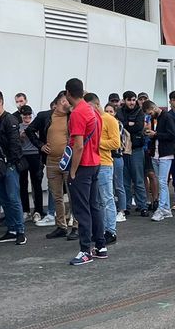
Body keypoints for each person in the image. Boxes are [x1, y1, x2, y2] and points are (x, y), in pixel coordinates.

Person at [64, 78, 105, 265]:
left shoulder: (78, 113)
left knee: (82, 210)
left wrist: (72, 171)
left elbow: (78, 146)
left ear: (68, 93)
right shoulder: (93, 110)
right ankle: (100, 245)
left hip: (83, 166)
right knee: (94, 206)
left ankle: (85, 250)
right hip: (95, 162)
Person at [0, 90, 27, 246]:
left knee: (13, 198)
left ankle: (20, 231)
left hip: (9, 165)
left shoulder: (9, 119)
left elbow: (15, 144)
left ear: (0, 101)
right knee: (3, 198)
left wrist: (11, 163)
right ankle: (11, 229)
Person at [30, 92, 73, 238]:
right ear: (62, 101)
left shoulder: (72, 116)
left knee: (73, 195)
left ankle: (76, 225)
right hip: (51, 161)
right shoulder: (45, 116)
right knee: (57, 196)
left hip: (68, 161)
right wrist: (40, 145)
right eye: (69, 102)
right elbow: (30, 130)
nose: (71, 105)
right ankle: (61, 226)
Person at [144, 100, 175, 222]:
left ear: (154, 108)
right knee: (160, 181)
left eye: (150, 113)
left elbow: (172, 135)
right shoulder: (155, 119)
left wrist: (156, 134)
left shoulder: (168, 117)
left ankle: (161, 209)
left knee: (162, 182)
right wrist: (151, 134)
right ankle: (166, 209)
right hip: (156, 153)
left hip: (165, 154)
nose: (150, 115)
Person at [117, 91, 149, 216]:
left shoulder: (140, 111)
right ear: (124, 100)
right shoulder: (120, 111)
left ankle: (142, 206)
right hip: (123, 149)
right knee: (125, 180)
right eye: (129, 100)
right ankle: (126, 206)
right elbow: (119, 126)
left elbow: (138, 127)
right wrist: (129, 124)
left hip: (136, 149)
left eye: (133, 100)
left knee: (138, 179)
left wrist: (128, 125)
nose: (132, 102)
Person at [94, 98, 121, 242]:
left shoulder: (109, 120)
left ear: (97, 105)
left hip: (104, 164)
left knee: (107, 198)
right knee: (98, 201)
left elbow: (116, 143)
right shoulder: (93, 118)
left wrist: (96, 142)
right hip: (93, 164)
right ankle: (102, 230)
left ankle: (111, 231)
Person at [17, 105, 45, 222]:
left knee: (36, 183)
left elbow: (40, 139)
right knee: (23, 184)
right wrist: (21, 136)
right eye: (25, 115)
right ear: (21, 115)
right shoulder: (18, 127)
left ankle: (38, 210)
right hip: (23, 155)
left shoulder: (35, 126)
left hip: (34, 154)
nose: (27, 117)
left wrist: (33, 134)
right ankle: (26, 210)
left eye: (29, 115)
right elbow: (16, 141)